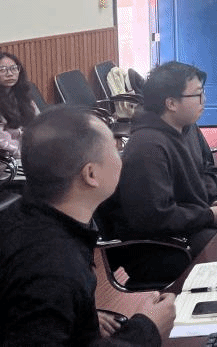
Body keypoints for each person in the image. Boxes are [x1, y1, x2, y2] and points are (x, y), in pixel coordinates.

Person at [0, 106, 175, 345]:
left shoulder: (23, 218)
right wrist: (148, 329)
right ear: (91, 174)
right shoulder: (52, 267)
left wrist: (82, 316)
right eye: (114, 149)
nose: (122, 156)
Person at [101, 62, 217, 281]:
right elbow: (155, 217)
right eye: (197, 95)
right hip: (160, 246)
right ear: (171, 103)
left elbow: (206, 170)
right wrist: (209, 215)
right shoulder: (147, 146)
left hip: (191, 224)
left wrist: (215, 199)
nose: (204, 100)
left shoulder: (188, 128)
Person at [0, 51, 38, 157]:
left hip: (30, 152)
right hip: (9, 158)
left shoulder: (23, 95)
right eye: (2, 70)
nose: (10, 74)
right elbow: (2, 143)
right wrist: (28, 153)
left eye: (13, 68)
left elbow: (39, 122)